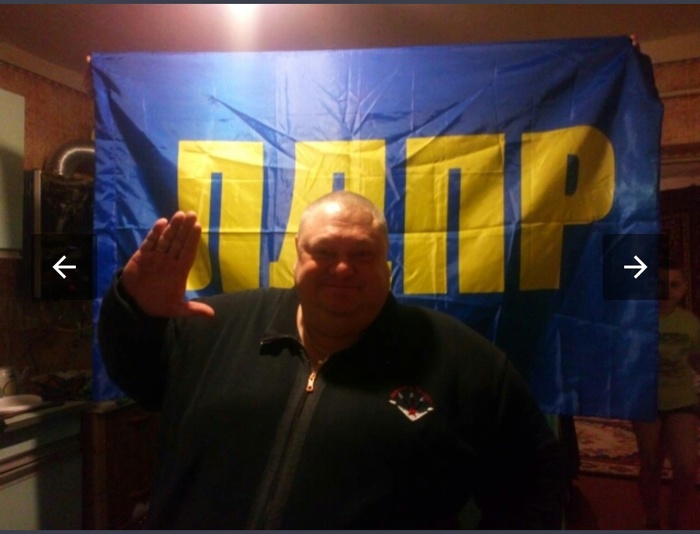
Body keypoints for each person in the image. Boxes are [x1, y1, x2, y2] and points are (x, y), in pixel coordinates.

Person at [98, 191, 565, 529]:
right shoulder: (215, 326)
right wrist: (137, 312)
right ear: (296, 256)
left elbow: (534, 480)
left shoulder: (461, 359)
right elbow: (141, 379)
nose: (343, 268)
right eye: (324, 251)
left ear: (387, 263)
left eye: (362, 253)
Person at [632, 261, 700, 529]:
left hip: (682, 400)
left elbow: (696, 361)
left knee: (686, 468)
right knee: (651, 464)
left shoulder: (690, 323)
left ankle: (675, 518)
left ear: (683, 289)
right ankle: (652, 520)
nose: (667, 291)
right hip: (645, 400)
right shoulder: (635, 319)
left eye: (674, 285)